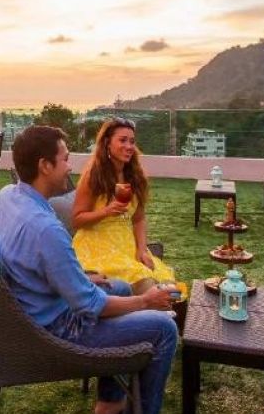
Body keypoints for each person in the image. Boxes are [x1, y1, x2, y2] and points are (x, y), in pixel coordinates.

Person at [0, 124, 187, 414]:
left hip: (27, 307)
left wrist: (79, 276)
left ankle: (109, 401)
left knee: (119, 284)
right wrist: (145, 302)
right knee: (164, 328)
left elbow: (23, 261)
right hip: (55, 330)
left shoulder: (8, 197)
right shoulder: (46, 229)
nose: (70, 167)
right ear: (45, 165)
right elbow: (90, 305)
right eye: (64, 159)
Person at [72, 118, 182, 296]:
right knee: (149, 286)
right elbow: (77, 220)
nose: (129, 146)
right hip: (97, 246)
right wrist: (106, 211)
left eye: (132, 141)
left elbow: (139, 219)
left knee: (170, 289)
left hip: (126, 244)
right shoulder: (94, 176)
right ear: (107, 143)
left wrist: (142, 249)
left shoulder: (135, 176)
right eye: (122, 140)